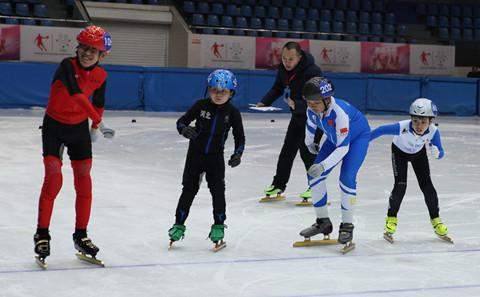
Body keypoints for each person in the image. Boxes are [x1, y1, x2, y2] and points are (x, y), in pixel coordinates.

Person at [33, 25, 115, 263]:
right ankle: (42, 233)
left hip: (78, 128)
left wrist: (93, 128)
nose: (87, 53)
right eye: (84, 47)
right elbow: (77, 94)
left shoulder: (102, 76)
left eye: (94, 50)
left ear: (103, 55)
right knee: (53, 177)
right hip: (55, 126)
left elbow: (98, 101)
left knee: (84, 180)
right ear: (77, 47)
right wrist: (99, 121)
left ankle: (81, 235)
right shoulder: (67, 66)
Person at [168, 69, 245, 249]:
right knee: (188, 190)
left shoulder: (232, 112)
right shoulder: (200, 105)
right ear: (208, 89)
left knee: (217, 192)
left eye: (223, 91)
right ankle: (178, 225)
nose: (218, 95)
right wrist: (184, 130)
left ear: (231, 93)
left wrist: (238, 154)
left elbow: (240, 137)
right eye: (214, 90)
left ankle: (218, 226)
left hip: (215, 158)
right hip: (195, 156)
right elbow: (181, 122)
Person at [299, 77, 370, 249]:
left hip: (356, 140)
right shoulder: (312, 109)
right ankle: (323, 222)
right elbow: (310, 123)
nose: (311, 106)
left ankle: (347, 225)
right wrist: (309, 142)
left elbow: (343, 149)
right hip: (334, 138)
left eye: (315, 102)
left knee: (346, 178)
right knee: (314, 177)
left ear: (327, 99)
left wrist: (323, 165)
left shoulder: (340, 114)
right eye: (308, 102)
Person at [370, 98, 449, 242]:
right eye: (416, 121)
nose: (419, 126)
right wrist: (362, 141)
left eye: (423, 122)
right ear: (411, 119)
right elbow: (380, 131)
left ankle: (436, 220)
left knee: (428, 186)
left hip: (419, 154)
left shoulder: (433, 131)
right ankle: (391, 218)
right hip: (399, 153)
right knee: (400, 185)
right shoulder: (402, 127)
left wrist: (438, 153)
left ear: (430, 121)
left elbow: (441, 151)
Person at [256, 41, 323, 202]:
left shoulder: (313, 71)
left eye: (290, 59)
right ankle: (279, 184)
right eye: (284, 58)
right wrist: (265, 102)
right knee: (288, 150)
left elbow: (320, 98)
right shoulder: (283, 69)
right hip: (298, 116)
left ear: (299, 57)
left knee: (307, 152)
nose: (286, 62)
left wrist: (298, 104)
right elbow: (277, 88)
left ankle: (317, 186)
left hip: (314, 118)